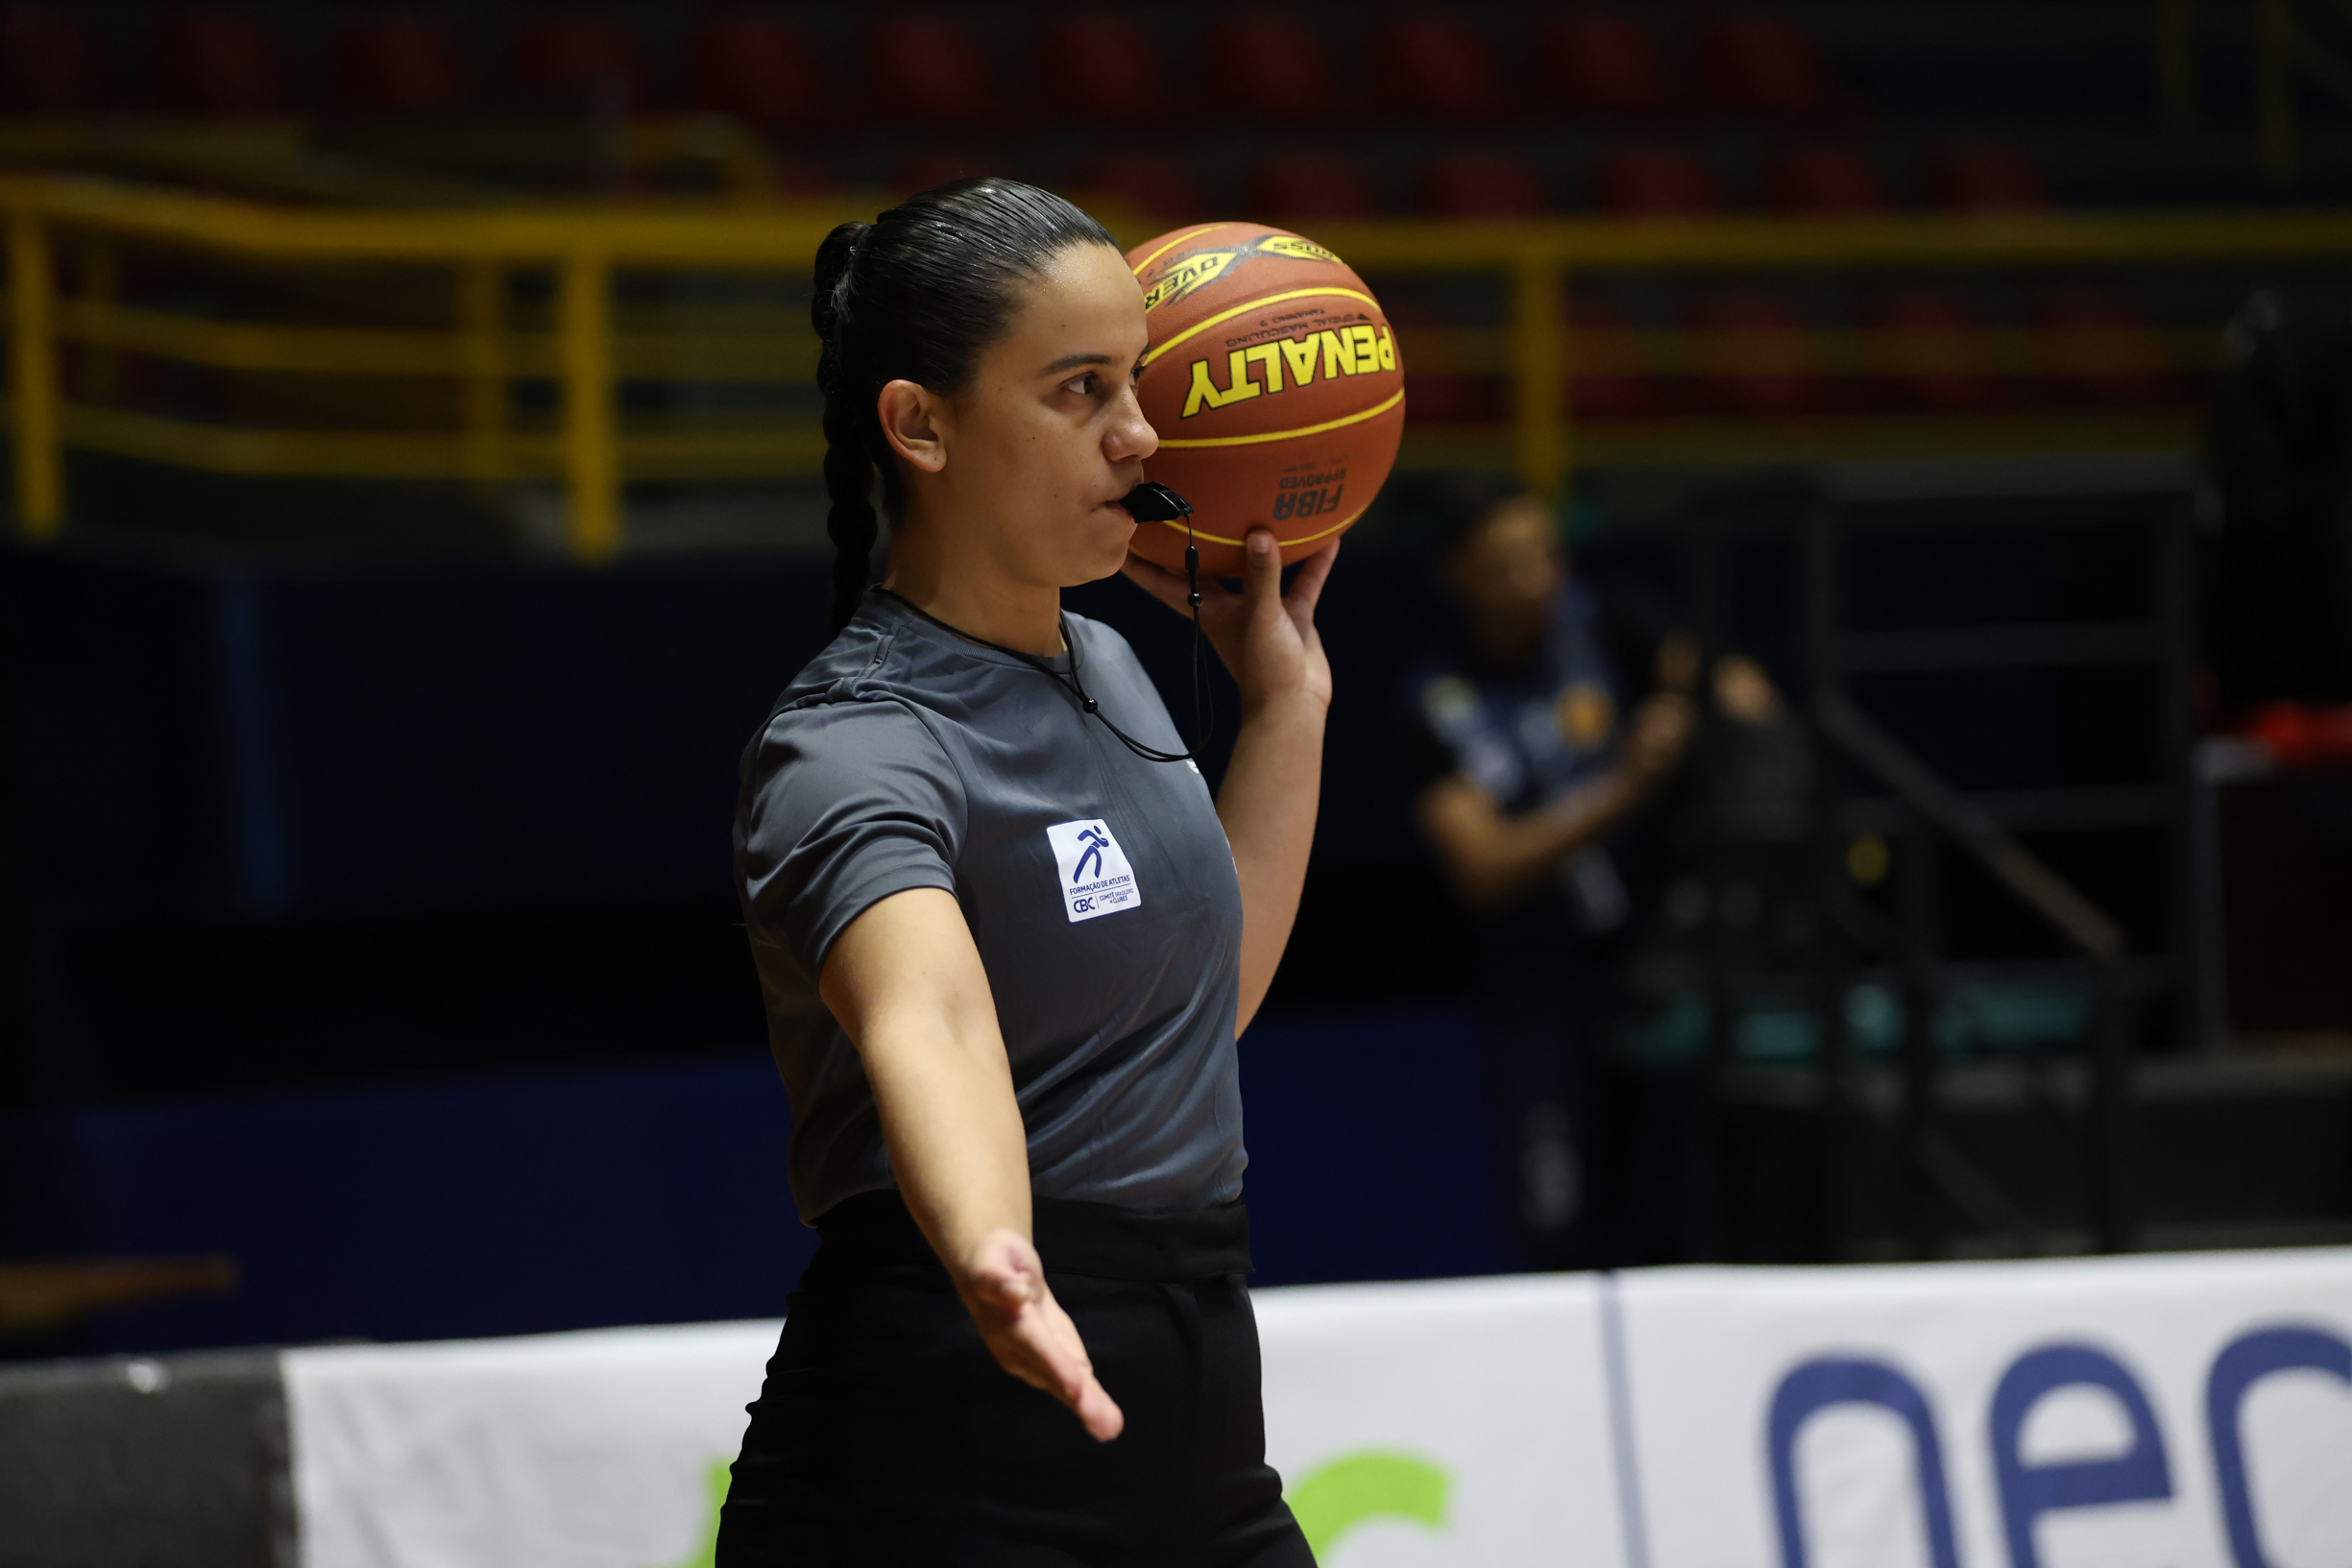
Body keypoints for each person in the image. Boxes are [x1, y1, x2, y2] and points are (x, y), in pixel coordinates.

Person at [718, 179, 1331, 1565]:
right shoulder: (854, 742)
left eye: (1138, 380)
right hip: (939, 1445)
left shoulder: (1105, 658)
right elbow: (927, 1018)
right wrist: (994, 1250)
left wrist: (1286, 712)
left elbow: (1191, 1012)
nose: (1141, 433)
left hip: (1193, 1420)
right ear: (919, 425)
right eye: (1079, 389)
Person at [1400, 478, 1695, 1268]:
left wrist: (1686, 708)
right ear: (1456, 576)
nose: (1536, 580)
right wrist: (1623, 788)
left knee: (1673, 1213)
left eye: (1545, 555)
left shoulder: (1612, 626)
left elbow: (1714, 682)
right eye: (1504, 564)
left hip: (1655, 971)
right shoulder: (1437, 701)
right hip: (1537, 994)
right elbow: (1483, 868)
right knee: (1555, 1224)